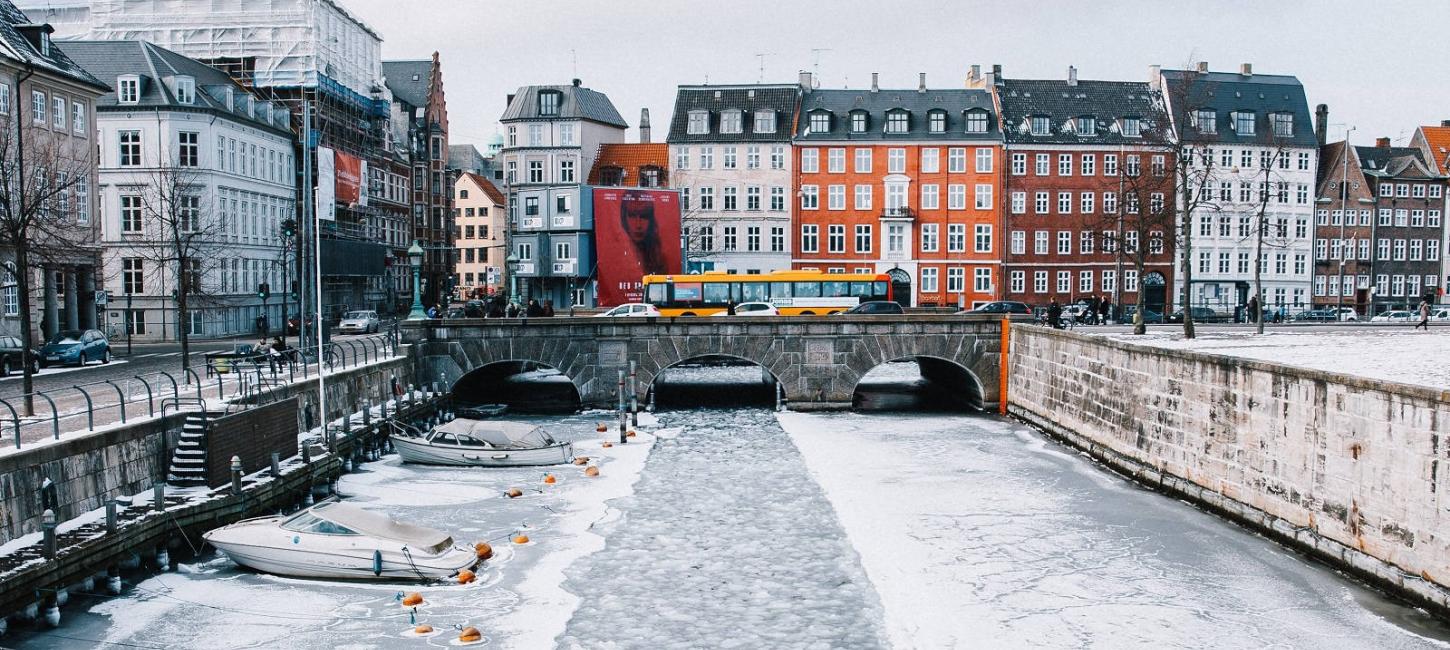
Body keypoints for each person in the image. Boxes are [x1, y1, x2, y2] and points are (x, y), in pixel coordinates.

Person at [621, 192, 668, 274]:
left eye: (644, 216)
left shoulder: (659, 258)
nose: (638, 225)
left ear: (651, 220)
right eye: (632, 215)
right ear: (624, 218)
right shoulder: (616, 255)